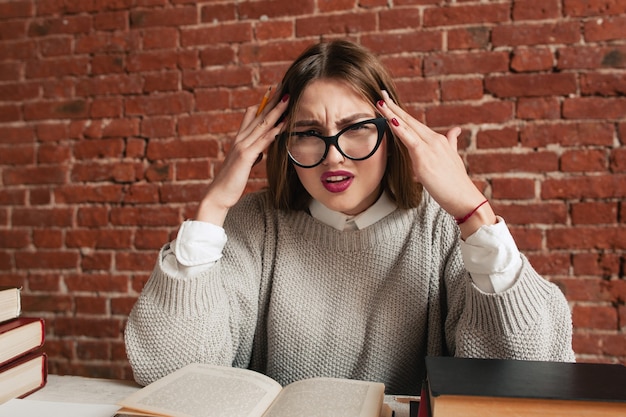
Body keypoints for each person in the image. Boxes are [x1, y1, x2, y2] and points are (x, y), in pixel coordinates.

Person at [124, 39, 575, 394]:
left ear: (392, 130)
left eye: (357, 128)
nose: (333, 157)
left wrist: (473, 212)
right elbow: (168, 369)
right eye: (308, 133)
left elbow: (533, 370)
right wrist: (212, 208)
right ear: (280, 142)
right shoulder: (254, 225)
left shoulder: (438, 228)